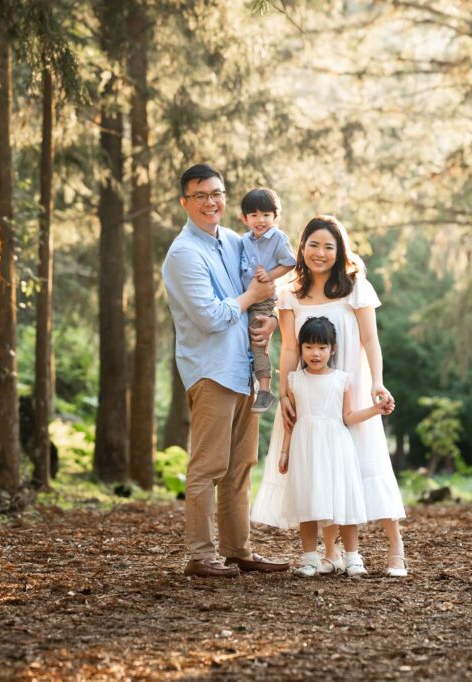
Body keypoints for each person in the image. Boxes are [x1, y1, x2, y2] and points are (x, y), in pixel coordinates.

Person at [251, 215, 409, 578]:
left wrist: (377, 383)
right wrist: (287, 392)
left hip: (349, 388)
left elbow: (371, 340)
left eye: (328, 247)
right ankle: (332, 552)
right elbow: (290, 346)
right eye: (313, 245)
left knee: (367, 462)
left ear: (339, 252)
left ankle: (395, 546)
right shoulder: (289, 292)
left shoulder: (355, 286)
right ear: (302, 247)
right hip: (309, 394)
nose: (320, 253)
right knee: (318, 468)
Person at [162, 163, 289, 578]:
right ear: (185, 202)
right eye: (200, 195)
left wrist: (267, 303)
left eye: (216, 193)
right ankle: (200, 555)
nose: (210, 202)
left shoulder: (234, 241)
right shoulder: (184, 254)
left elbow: (269, 271)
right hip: (211, 372)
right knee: (208, 467)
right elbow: (211, 317)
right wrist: (252, 294)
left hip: (243, 370)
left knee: (239, 467)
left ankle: (239, 550)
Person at [275, 316, 392, 578]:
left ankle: (352, 558)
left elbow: (348, 417)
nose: (315, 353)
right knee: (307, 502)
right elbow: (290, 422)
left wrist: (375, 410)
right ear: (301, 349)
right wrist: (285, 452)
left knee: (343, 502)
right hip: (306, 447)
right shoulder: (294, 381)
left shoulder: (342, 380)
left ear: (333, 349)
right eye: (308, 347)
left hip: (336, 446)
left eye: (321, 347)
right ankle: (309, 559)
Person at [238, 187, 296, 414]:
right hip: (244, 298)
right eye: (253, 215)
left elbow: (290, 262)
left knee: (257, 342)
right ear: (244, 218)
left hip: (262, 300)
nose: (260, 220)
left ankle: (264, 390)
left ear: (276, 217)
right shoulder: (244, 240)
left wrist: (270, 275)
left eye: (266, 215)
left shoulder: (278, 237)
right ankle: (251, 380)